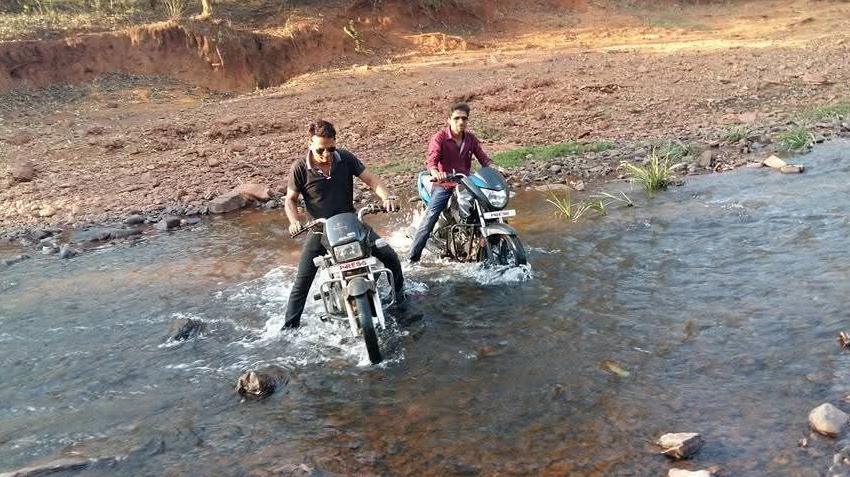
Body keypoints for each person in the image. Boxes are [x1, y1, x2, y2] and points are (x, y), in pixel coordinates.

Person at [282, 120, 404, 329]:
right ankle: (289, 328)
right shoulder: (300, 168)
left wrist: (386, 197)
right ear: (309, 142)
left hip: (352, 222)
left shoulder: (345, 158)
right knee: (302, 280)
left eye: (331, 149)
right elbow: (290, 200)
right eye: (321, 149)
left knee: (390, 256)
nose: (327, 154)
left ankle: (401, 300)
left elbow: (372, 180)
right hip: (320, 228)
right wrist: (294, 222)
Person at [408, 102, 494, 263]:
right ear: (449, 119)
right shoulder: (440, 138)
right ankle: (412, 259)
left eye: (464, 118)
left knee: (487, 204)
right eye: (457, 118)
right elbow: (431, 160)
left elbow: (483, 158)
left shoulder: (470, 139)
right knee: (430, 218)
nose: (461, 122)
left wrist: (493, 168)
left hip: (465, 183)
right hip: (444, 184)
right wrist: (435, 173)